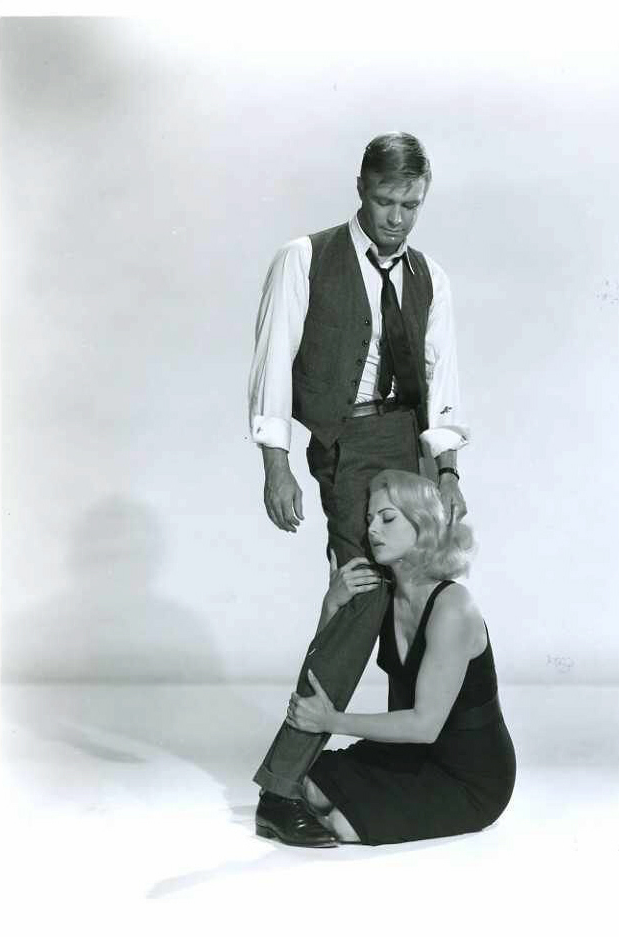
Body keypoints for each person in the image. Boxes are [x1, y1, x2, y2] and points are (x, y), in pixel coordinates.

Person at [248, 132, 470, 847]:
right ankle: (281, 787)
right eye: (385, 201)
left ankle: (413, 752)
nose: (397, 218)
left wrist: (447, 470)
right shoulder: (305, 257)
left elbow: (441, 375)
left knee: (420, 599)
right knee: (363, 598)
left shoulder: (430, 275)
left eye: (411, 205)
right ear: (360, 189)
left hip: (411, 442)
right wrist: (276, 462)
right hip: (348, 443)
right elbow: (273, 360)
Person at [284, 470, 516, 846]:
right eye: (370, 519)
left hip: (471, 779)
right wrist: (331, 605)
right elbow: (325, 662)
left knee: (344, 824)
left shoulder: (452, 607)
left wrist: (332, 721)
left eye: (387, 518)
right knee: (310, 785)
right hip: (410, 755)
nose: (373, 529)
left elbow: (425, 725)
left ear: (423, 525)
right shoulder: (386, 596)